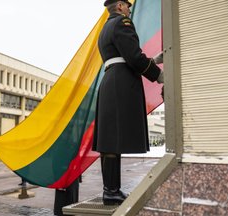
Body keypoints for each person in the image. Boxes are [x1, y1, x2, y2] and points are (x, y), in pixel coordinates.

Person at [92, 0, 164, 206]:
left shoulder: (106, 28)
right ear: (121, 6)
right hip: (121, 83)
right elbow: (132, 56)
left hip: (110, 81)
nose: (130, 10)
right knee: (112, 140)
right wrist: (157, 74)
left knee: (110, 140)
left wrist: (152, 60)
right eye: (128, 6)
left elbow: (123, 55)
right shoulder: (122, 22)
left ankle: (111, 191)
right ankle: (111, 191)